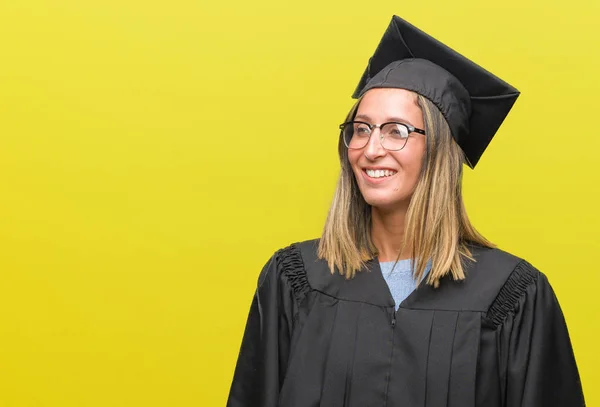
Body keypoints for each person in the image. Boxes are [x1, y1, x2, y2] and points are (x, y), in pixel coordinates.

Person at [226, 15, 585, 407]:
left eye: (396, 130)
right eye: (361, 129)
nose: (371, 148)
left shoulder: (511, 296)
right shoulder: (296, 282)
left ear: (439, 151)